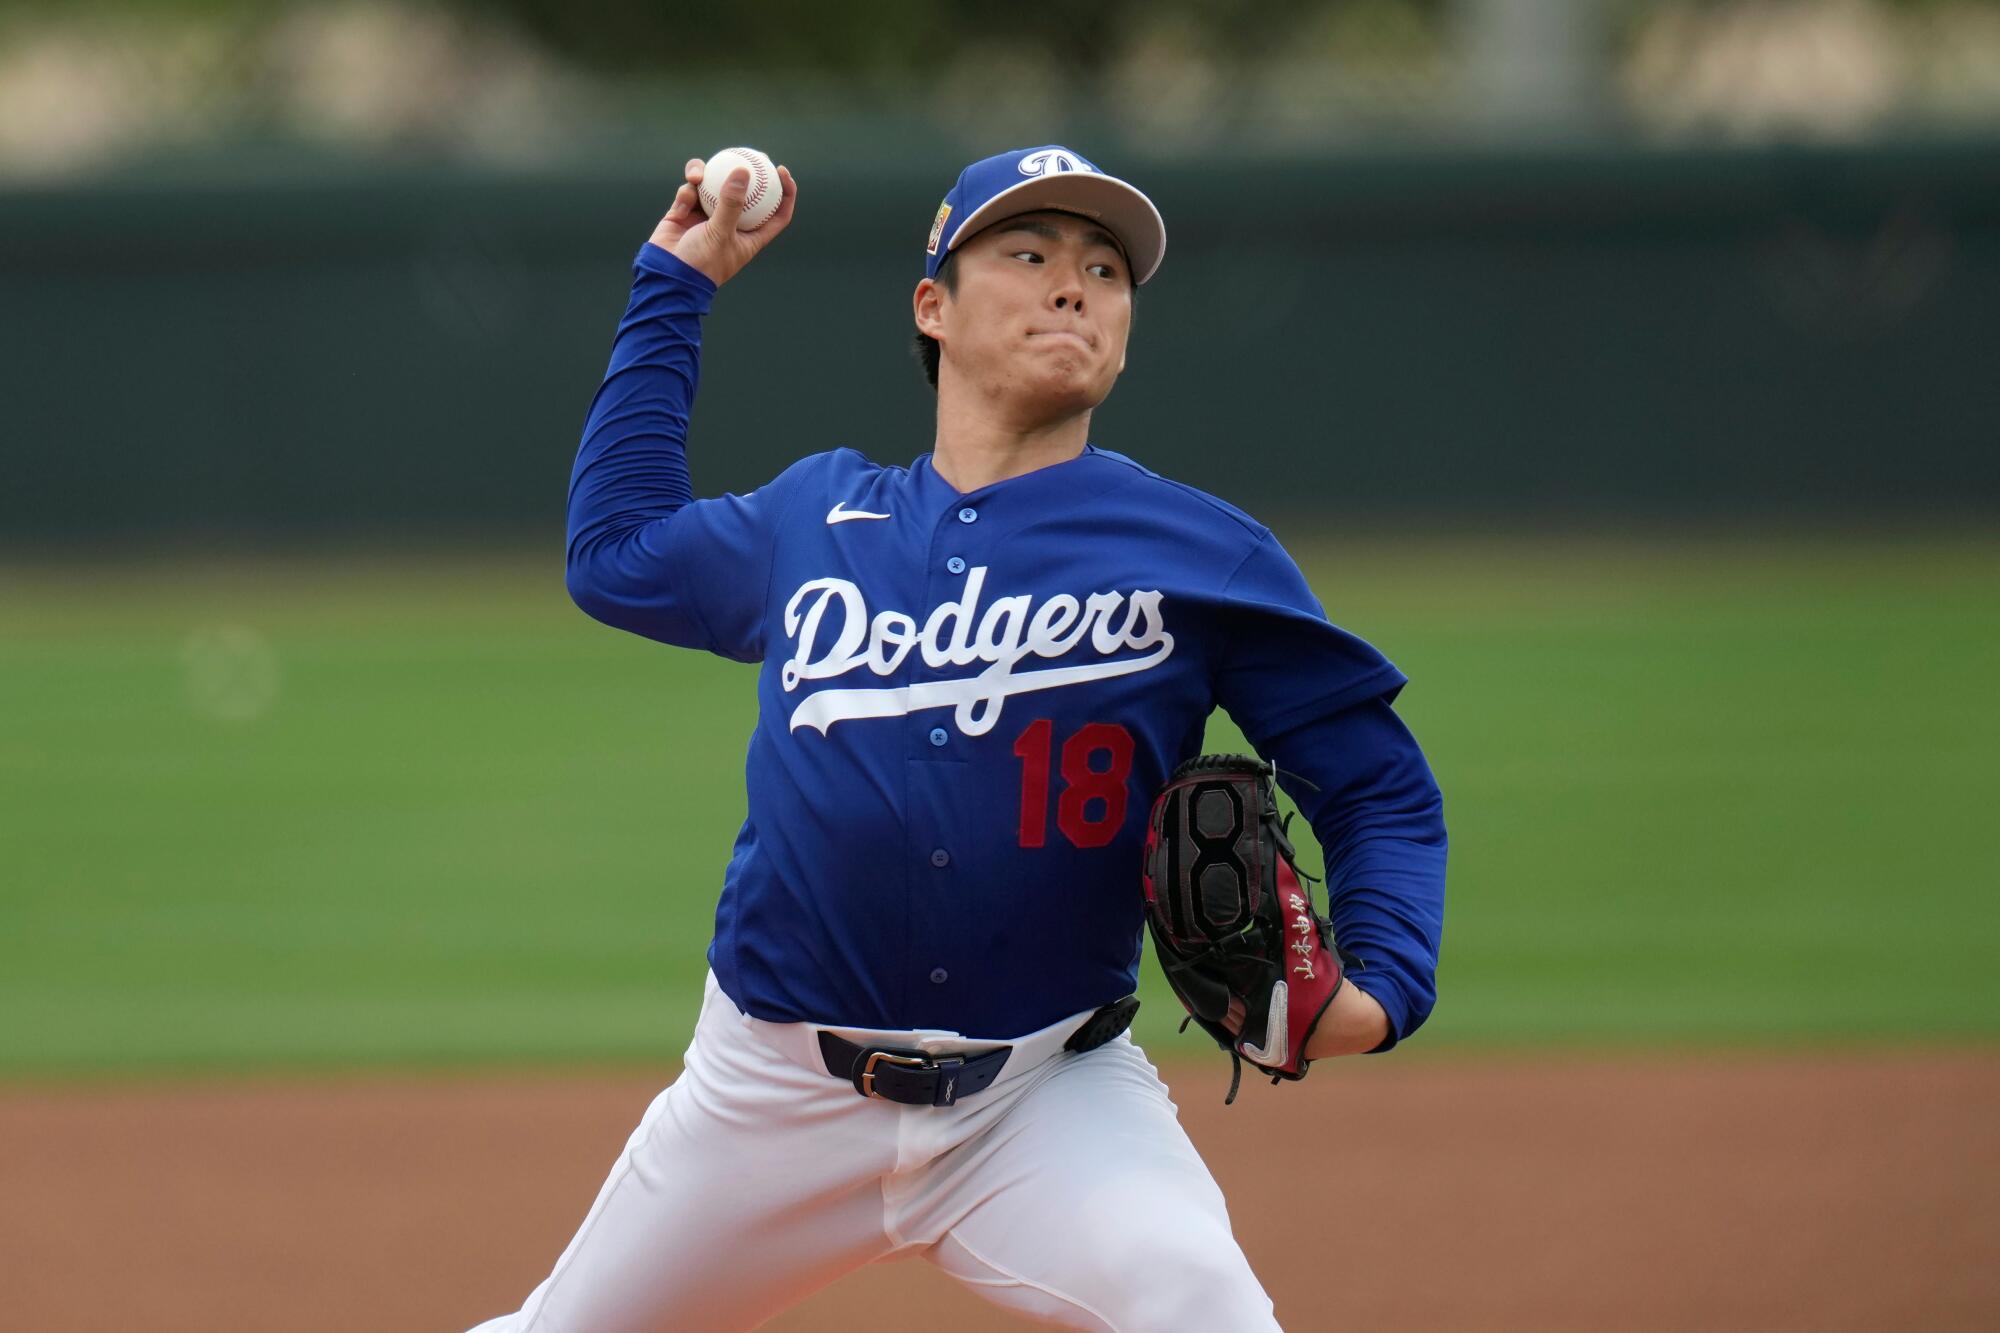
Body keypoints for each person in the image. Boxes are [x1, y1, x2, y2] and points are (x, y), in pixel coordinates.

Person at [469, 145, 1447, 1332]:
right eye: (1028, 256)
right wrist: (678, 278)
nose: (1073, 285)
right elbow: (614, 554)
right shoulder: (813, 520)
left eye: (1103, 268)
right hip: (767, 1097)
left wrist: (1382, 987)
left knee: (1205, 1311)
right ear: (932, 307)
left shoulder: (1200, 552)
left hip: (1047, 1098)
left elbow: (1374, 784)